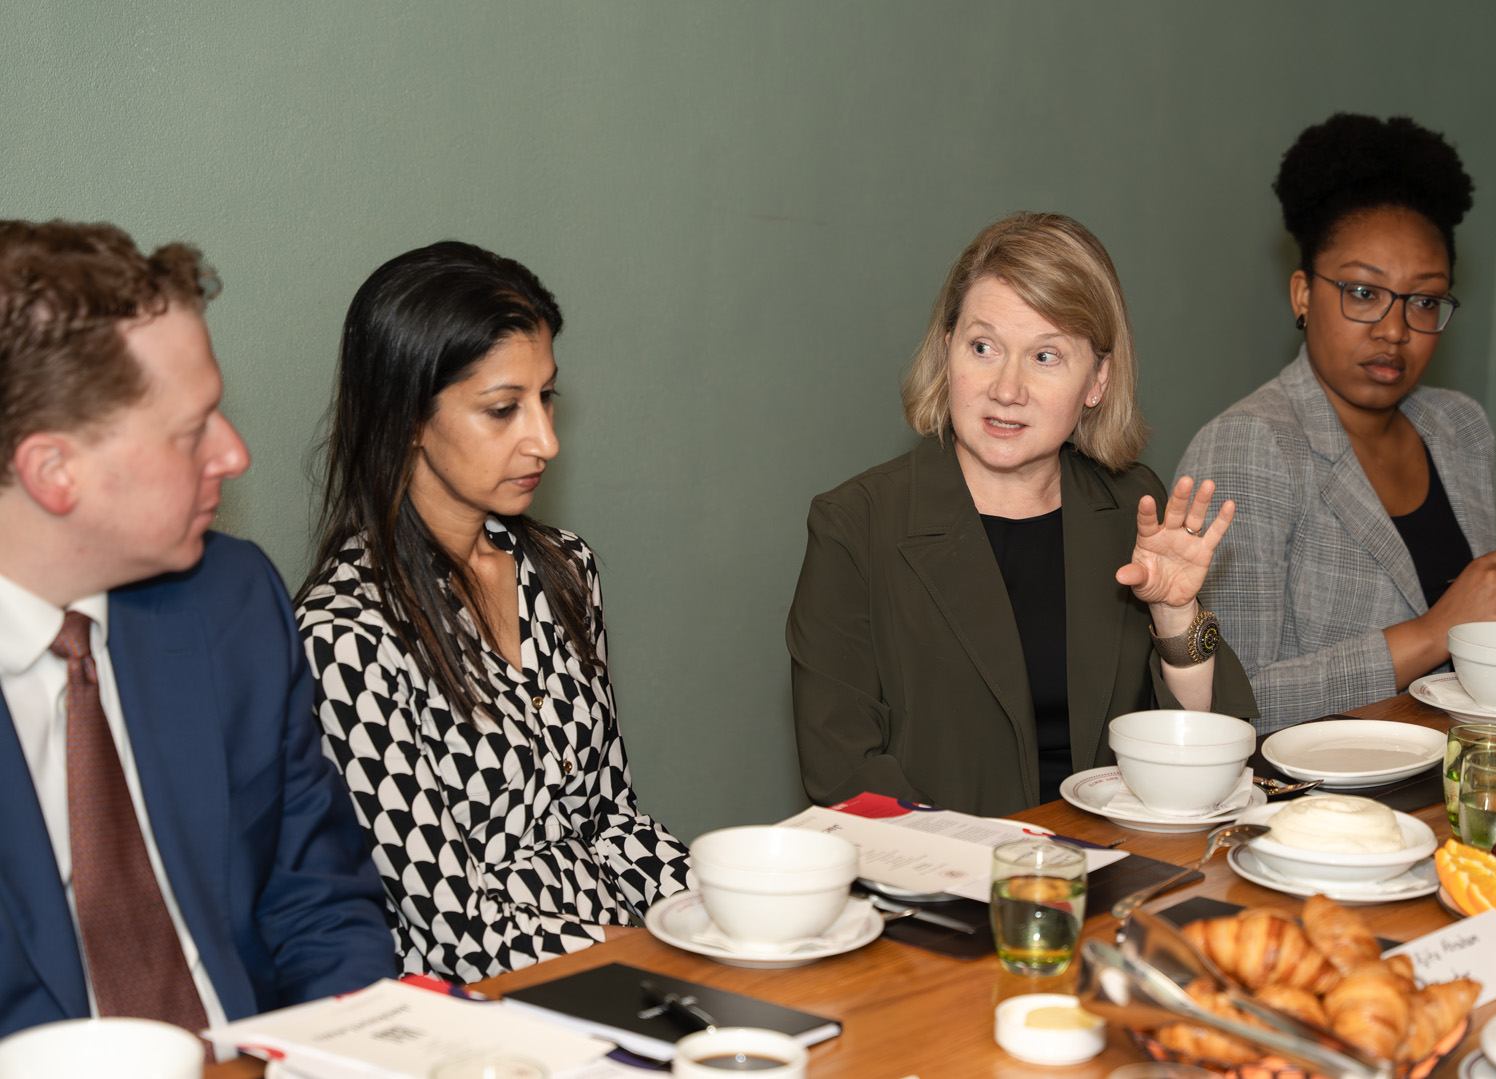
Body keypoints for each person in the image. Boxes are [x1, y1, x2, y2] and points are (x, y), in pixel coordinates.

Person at [0, 220, 394, 1041]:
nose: (235, 453)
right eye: (192, 430)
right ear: (54, 471)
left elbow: (319, 901)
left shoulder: (229, 602)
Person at [296, 241, 690, 983]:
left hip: (622, 959)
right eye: (503, 409)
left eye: (547, 398)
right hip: (480, 1001)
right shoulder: (346, 639)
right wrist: (653, 960)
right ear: (408, 416)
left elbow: (611, 821)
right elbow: (455, 928)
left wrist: (728, 906)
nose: (545, 440)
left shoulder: (563, 569)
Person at [788, 212, 1258, 817]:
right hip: (942, 867)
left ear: (1097, 381)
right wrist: (1007, 861)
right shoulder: (856, 524)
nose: (1006, 389)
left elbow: (1206, 749)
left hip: (1119, 851)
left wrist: (1174, 614)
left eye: (1045, 356)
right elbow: (843, 773)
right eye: (983, 347)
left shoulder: (1131, 505)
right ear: (947, 350)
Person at [1176, 114, 1496, 732]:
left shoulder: (1460, 429)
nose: (1394, 330)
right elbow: (1230, 699)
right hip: (1310, 783)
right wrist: (1440, 630)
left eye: (1424, 301)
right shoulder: (1251, 445)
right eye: (1363, 293)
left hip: (1457, 760)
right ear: (1303, 294)